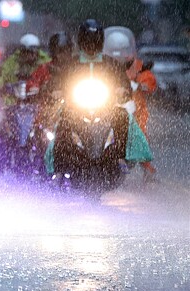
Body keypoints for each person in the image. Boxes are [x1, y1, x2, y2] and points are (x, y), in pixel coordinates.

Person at [51, 19, 133, 176]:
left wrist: (122, 90)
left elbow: (124, 82)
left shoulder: (111, 63)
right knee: (63, 123)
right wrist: (56, 90)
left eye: (94, 41)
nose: (91, 45)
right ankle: (59, 168)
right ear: (81, 41)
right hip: (76, 108)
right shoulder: (71, 65)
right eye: (88, 40)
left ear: (100, 41)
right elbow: (57, 82)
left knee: (122, 117)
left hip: (105, 108)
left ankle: (121, 157)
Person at [103, 30, 158, 181]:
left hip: (134, 110)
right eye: (114, 51)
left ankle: (147, 170)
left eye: (121, 51)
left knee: (140, 135)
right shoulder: (105, 65)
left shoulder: (137, 66)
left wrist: (142, 84)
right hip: (107, 106)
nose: (118, 55)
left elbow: (148, 79)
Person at [0, 33, 51, 107]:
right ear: (21, 51)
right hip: (14, 103)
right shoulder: (12, 62)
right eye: (26, 52)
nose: (29, 55)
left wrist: (43, 89)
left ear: (37, 52)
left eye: (32, 52)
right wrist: (0, 86)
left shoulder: (45, 62)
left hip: (38, 103)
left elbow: (50, 78)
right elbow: (3, 75)